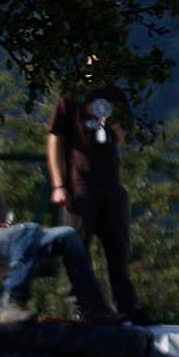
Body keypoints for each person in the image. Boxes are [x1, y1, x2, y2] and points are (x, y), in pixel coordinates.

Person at [0, 136, 123, 324]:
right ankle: (13, 300)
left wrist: (4, 231)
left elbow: (5, 226)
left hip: (0, 244)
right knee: (28, 229)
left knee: (67, 234)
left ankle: (91, 306)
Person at [48, 59, 146, 324]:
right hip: (80, 184)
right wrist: (58, 184)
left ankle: (126, 305)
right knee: (78, 248)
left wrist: (113, 122)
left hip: (110, 183)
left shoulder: (116, 96)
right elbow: (54, 137)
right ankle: (81, 305)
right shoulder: (71, 95)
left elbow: (123, 137)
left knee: (118, 248)